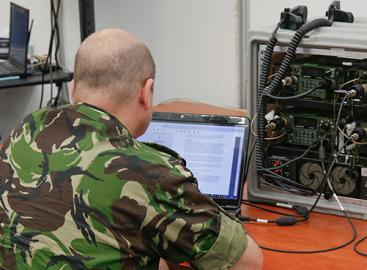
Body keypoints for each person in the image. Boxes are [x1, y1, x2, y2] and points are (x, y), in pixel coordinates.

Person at [0, 28, 263, 269]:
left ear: (73, 87)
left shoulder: (27, 129)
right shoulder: (151, 173)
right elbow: (248, 263)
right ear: (146, 93)